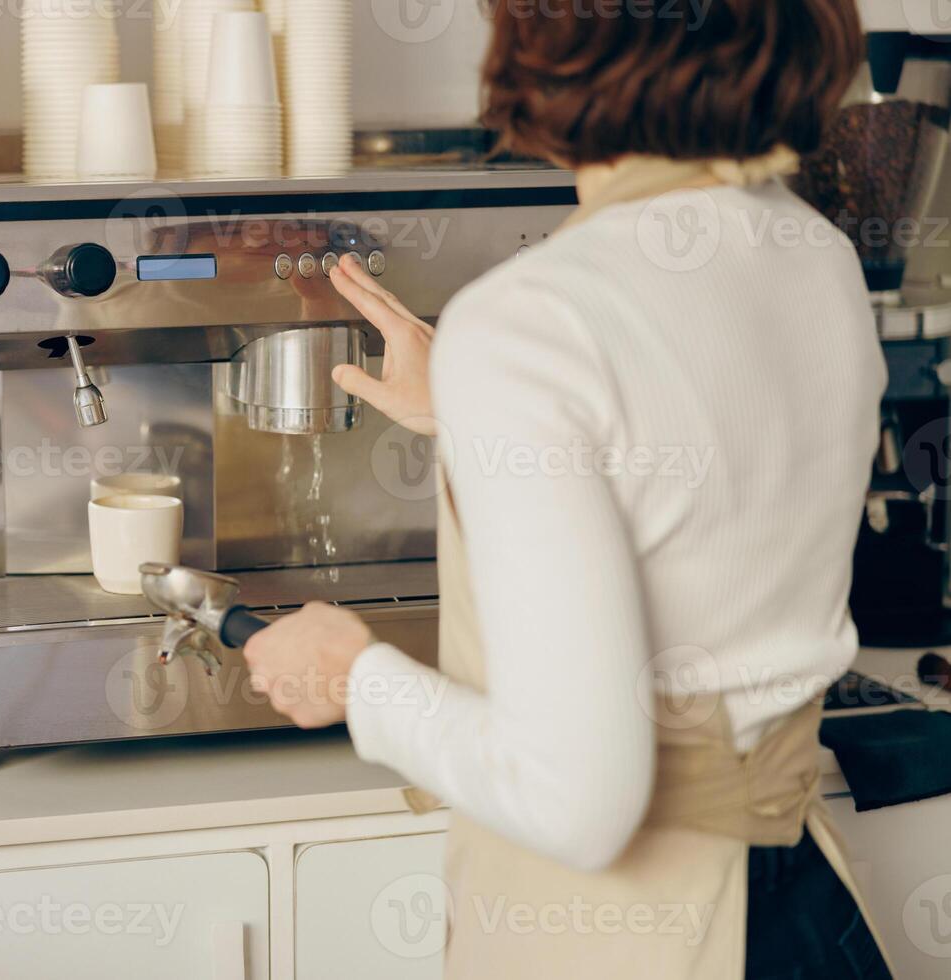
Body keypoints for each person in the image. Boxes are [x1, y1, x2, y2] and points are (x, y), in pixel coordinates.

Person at [242, 1, 894, 976]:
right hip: (802, 916)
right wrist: (473, 410)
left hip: (641, 935)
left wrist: (351, 674)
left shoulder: (533, 319)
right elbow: (699, 475)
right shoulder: (817, 250)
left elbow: (579, 802)